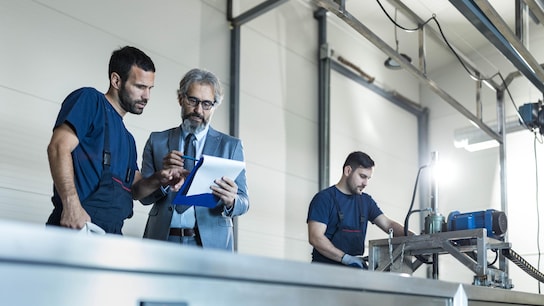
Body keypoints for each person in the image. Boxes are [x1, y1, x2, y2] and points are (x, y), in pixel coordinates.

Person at [46, 46, 185, 235]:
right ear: (116, 80)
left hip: (112, 234)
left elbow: (135, 189)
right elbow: (58, 147)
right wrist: (71, 206)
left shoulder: (128, 140)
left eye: (150, 88)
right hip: (78, 227)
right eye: (140, 87)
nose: (147, 96)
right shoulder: (90, 100)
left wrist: (160, 178)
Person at [139, 68, 249, 251]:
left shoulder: (231, 146)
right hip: (162, 240)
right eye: (193, 101)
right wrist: (162, 179)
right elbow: (143, 197)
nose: (198, 110)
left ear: (215, 106)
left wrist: (232, 201)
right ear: (180, 98)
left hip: (211, 245)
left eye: (207, 104)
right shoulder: (157, 141)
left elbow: (244, 201)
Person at [307, 151, 412, 269]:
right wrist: (346, 258)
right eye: (362, 176)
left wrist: (415, 238)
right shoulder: (324, 199)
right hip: (324, 272)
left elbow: (388, 224)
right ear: (348, 171)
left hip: (354, 273)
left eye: (368, 178)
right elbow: (315, 237)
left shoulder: (366, 202)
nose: (365, 183)